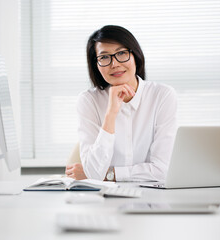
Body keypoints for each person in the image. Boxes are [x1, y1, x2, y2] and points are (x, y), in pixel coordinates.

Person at [65, 25, 177, 182]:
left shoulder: (162, 95)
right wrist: (111, 113)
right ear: (96, 65)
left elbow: (162, 170)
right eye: (104, 57)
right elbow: (94, 173)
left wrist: (110, 174)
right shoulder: (88, 100)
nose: (114, 64)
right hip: (103, 200)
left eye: (122, 53)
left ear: (135, 56)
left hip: (152, 198)